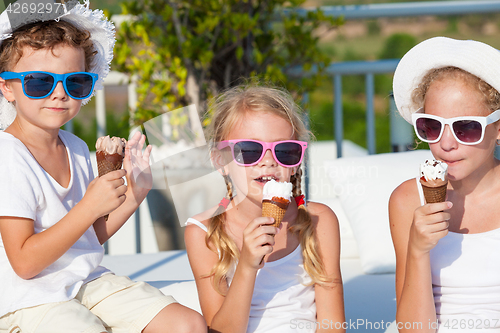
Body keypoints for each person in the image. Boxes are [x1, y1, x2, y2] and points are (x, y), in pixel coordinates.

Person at [0, 1, 206, 332]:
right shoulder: (8, 156)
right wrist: (88, 207)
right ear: (7, 87)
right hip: (30, 298)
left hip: (86, 282)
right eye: (38, 82)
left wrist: (135, 194)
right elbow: (24, 263)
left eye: (75, 83)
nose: (59, 93)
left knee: (186, 324)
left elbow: (90, 236)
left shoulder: (78, 149)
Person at [184, 84, 345, 333]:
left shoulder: (318, 220)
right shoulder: (204, 232)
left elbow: (333, 325)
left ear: (295, 163)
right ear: (221, 161)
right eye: (249, 151)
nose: (268, 161)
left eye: (284, 151)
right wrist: (247, 266)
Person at [389, 37, 500, 333]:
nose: (446, 144)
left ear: (498, 128)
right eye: (432, 126)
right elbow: (413, 329)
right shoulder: (407, 200)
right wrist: (417, 249)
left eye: (466, 127)